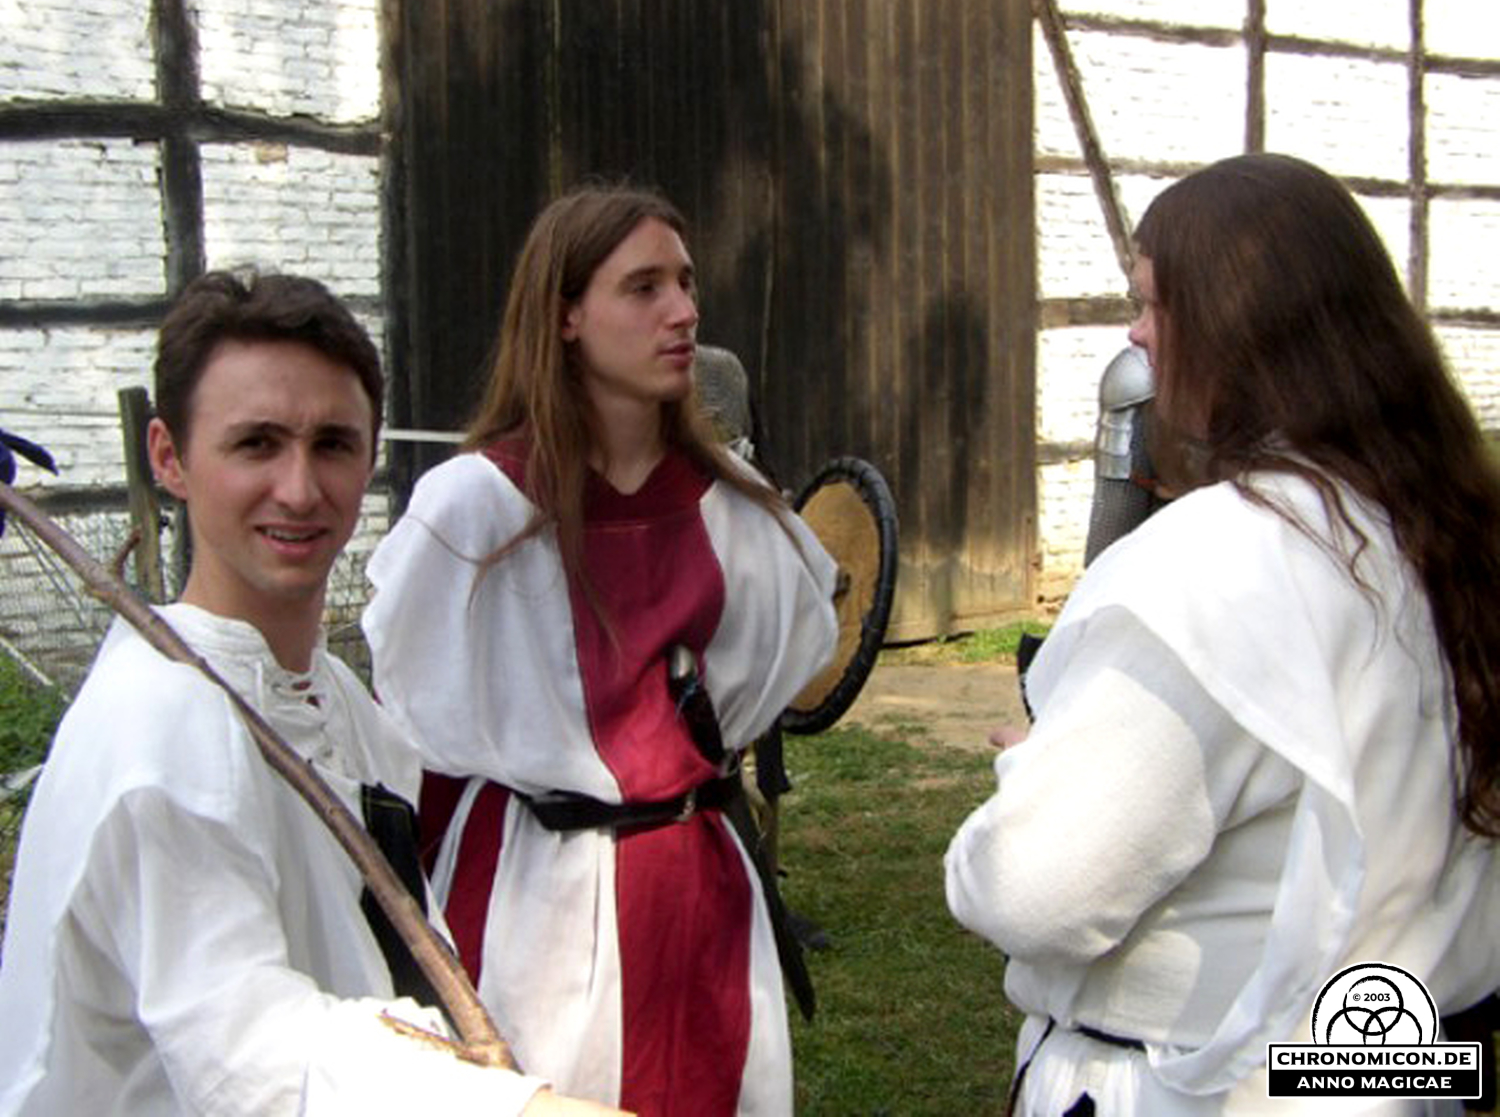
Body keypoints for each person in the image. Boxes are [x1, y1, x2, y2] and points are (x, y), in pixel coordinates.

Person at [945, 154, 1500, 1114]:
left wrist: (1035, 766)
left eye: (1153, 303)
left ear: (1239, 329)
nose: (1135, 332)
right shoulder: (1435, 531)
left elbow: (1030, 887)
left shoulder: (1219, 563)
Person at [0, 269, 622, 1115]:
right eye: (256, 444)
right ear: (169, 456)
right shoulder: (161, 726)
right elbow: (249, 1049)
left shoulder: (329, 696)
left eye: (332, 444)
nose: (299, 490)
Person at [360, 185, 839, 1116]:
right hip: (530, 897)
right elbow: (414, 732)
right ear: (566, 315)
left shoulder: (736, 506)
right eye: (644, 287)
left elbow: (759, 685)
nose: (683, 311)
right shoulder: (474, 508)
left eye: (686, 283)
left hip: (697, 885)